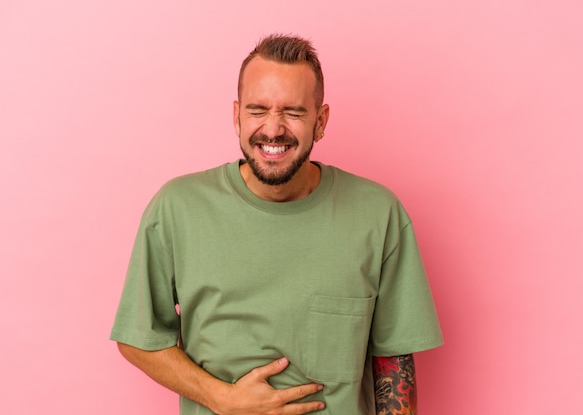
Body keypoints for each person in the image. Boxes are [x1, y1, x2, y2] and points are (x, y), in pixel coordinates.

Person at [111, 34, 443, 415]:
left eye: (294, 112)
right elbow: (138, 337)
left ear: (320, 121)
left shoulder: (378, 213)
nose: (273, 129)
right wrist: (222, 398)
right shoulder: (177, 208)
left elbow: (394, 361)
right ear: (236, 116)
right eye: (257, 110)